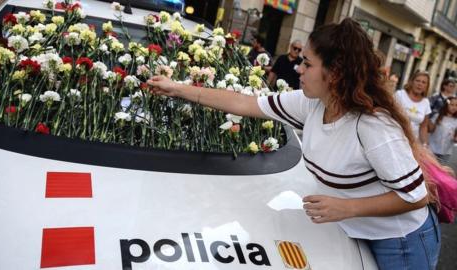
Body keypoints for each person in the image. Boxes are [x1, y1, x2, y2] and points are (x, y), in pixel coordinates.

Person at [148, 18, 440, 270]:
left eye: (308, 63)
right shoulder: (311, 104)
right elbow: (243, 102)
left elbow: (416, 196)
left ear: (335, 73)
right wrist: (177, 89)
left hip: (401, 242)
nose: (299, 69)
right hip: (355, 231)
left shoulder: (373, 126)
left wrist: (347, 208)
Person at [394, 71, 431, 146]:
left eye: (424, 82)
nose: (420, 84)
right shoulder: (400, 94)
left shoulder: (426, 102)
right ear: (411, 82)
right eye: (417, 80)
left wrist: (425, 144)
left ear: (426, 86)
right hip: (394, 137)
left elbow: (423, 127)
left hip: (412, 142)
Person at [428, 96, 457, 166]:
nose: (454, 107)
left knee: (440, 171)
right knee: (430, 169)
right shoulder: (437, 116)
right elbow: (430, 130)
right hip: (432, 149)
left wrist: (455, 138)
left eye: (456, 105)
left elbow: (455, 136)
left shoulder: (456, 120)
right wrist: (428, 120)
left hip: (446, 152)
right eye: (452, 104)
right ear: (446, 105)